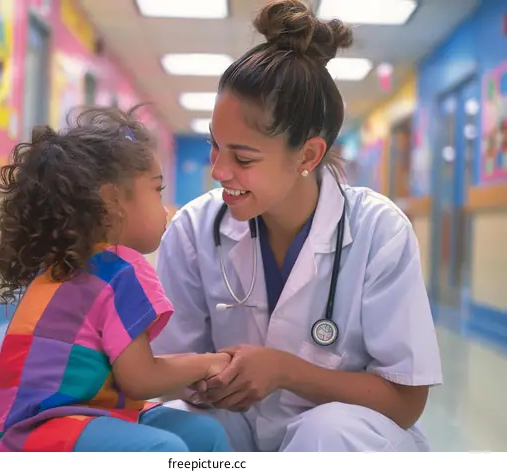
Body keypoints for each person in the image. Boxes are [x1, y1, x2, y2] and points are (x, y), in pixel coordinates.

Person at [151, 0, 443, 453]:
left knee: (328, 431)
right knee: (174, 428)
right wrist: (207, 380)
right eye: (215, 146)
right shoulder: (194, 229)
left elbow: (406, 402)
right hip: (237, 431)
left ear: (307, 155)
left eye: (243, 157)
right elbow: (168, 370)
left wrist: (284, 371)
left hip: (341, 442)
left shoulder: (378, 231)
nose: (218, 170)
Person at [0, 106, 233, 453]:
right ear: (112, 202)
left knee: (204, 435)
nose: (165, 208)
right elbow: (141, 379)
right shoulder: (121, 267)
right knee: (162, 450)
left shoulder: (67, 264)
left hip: (69, 419)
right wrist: (209, 362)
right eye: (157, 191)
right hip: (29, 435)